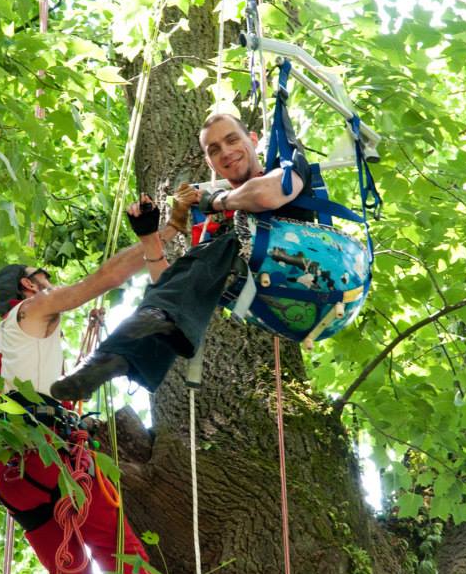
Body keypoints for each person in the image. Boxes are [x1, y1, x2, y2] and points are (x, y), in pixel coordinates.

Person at [0, 201, 236, 574]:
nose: (50, 282)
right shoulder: (28, 313)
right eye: (43, 278)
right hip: (50, 454)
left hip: (15, 469)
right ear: (28, 290)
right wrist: (163, 231)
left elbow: (41, 388)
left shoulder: (16, 344)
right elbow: (103, 278)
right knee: (123, 560)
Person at [50, 113, 311, 401]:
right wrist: (151, 238)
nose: (225, 152)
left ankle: (123, 348)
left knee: (223, 248)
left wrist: (214, 200)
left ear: (252, 140)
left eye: (232, 140)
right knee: (173, 305)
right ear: (210, 163)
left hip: (307, 268)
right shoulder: (221, 229)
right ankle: (116, 360)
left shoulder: (287, 166)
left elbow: (267, 196)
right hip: (260, 287)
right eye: (214, 150)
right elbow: (177, 290)